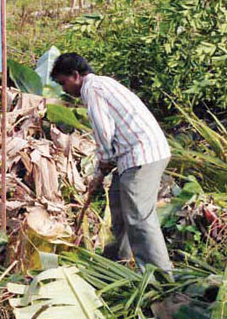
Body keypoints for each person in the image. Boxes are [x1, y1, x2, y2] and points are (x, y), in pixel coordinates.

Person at [50, 53, 172, 273]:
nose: (64, 89)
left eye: (63, 83)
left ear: (76, 76)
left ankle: (160, 275)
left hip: (142, 155)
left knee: (138, 216)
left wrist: (104, 163)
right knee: (118, 206)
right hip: (132, 156)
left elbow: (104, 130)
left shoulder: (92, 89)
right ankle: (117, 263)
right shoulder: (103, 84)